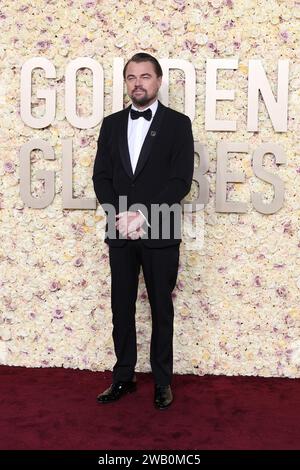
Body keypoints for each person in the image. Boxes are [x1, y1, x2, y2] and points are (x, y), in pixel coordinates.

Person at [92, 52, 194, 409]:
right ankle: (123, 377)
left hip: (160, 228)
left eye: (145, 76)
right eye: (132, 76)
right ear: (126, 82)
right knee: (121, 306)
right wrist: (122, 216)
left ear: (158, 81)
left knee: (160, 309)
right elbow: (101, 177)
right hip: (120, 228)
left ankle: (163, 382)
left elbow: (180, 180)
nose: (138, 82)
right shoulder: (111, 124)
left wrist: (142, 214)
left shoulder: (179, 125)